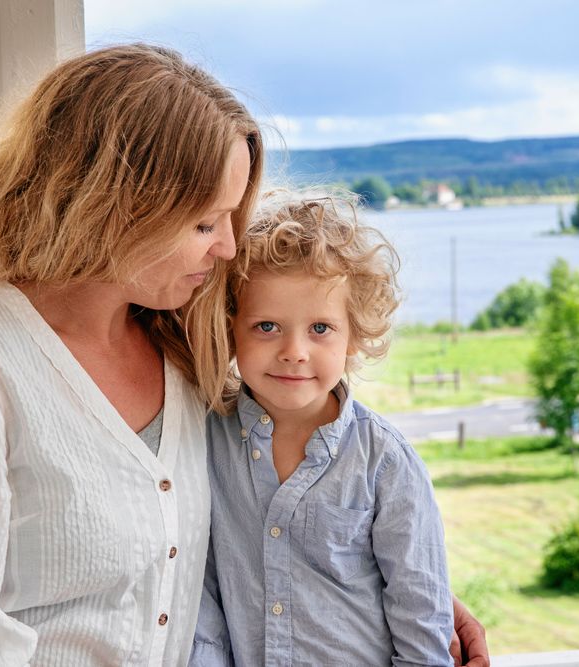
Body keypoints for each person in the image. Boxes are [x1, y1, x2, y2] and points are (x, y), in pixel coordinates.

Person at [0, 44, 489, 665]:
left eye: (232, 219)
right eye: (206, 224)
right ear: (114, 210)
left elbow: (218, 539)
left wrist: (387, 594)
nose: (231, 250)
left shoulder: (187, 348)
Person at [191, 189, 457, 665]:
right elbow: (201, 596)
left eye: (320, 329)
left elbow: (421, 615)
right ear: (232, 328)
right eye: (267, 326)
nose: (295, 351)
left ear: (354, 334)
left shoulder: (386, 463)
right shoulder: (206, 441)